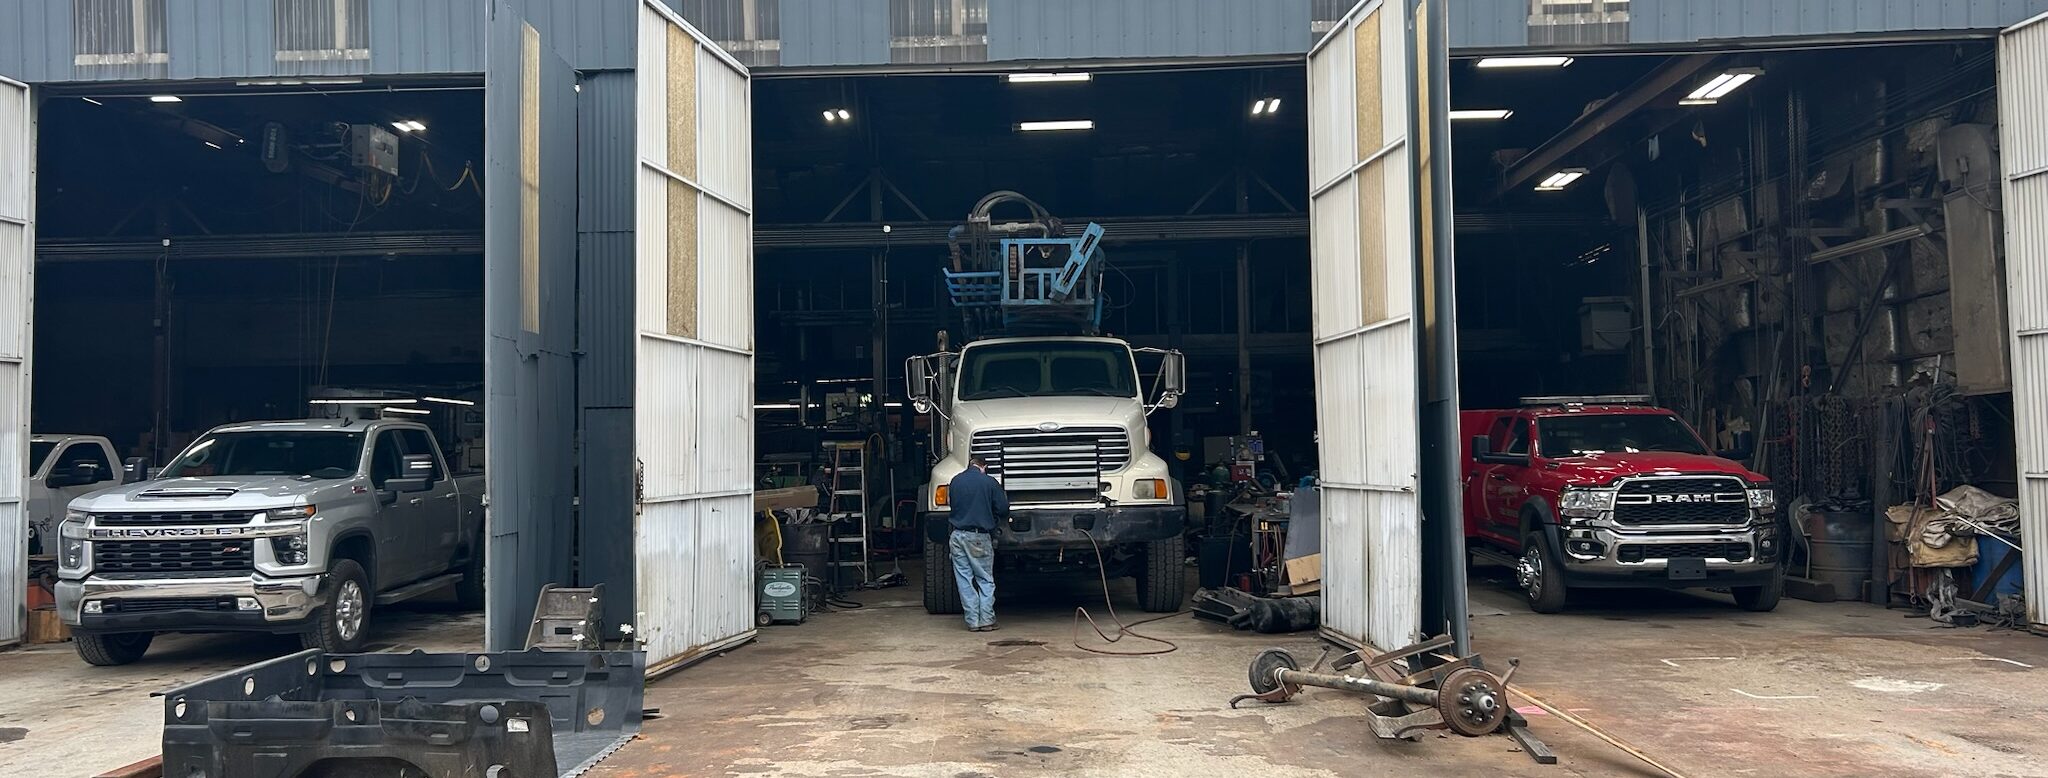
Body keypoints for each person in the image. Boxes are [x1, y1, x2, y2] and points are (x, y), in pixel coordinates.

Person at [946, 455, 1009, 632]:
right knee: (985, 579)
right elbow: (1003, 509)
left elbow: (951, 505)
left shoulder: (955, 481)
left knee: (964, 579)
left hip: (957, 535)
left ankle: (972, 621)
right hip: (978, 536)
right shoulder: (989, 482)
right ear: (984, 467)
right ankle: (987, 620)